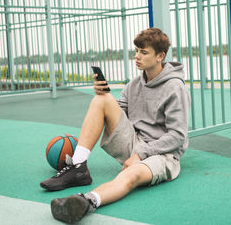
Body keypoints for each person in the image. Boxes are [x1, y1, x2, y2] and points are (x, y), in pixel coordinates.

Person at [40, 28, 191, 223]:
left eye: (144, 52)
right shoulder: (134, 84)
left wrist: (141, 154)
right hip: (134, 142)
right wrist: (102, 95)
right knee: (101, 100)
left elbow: (178, 136)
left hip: (162, 155)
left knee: (133, 174)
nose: (137, 56)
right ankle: (78, 167)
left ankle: (87, 201)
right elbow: (118, 114)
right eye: (136, 50)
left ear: (160, 56)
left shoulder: (175, 87)